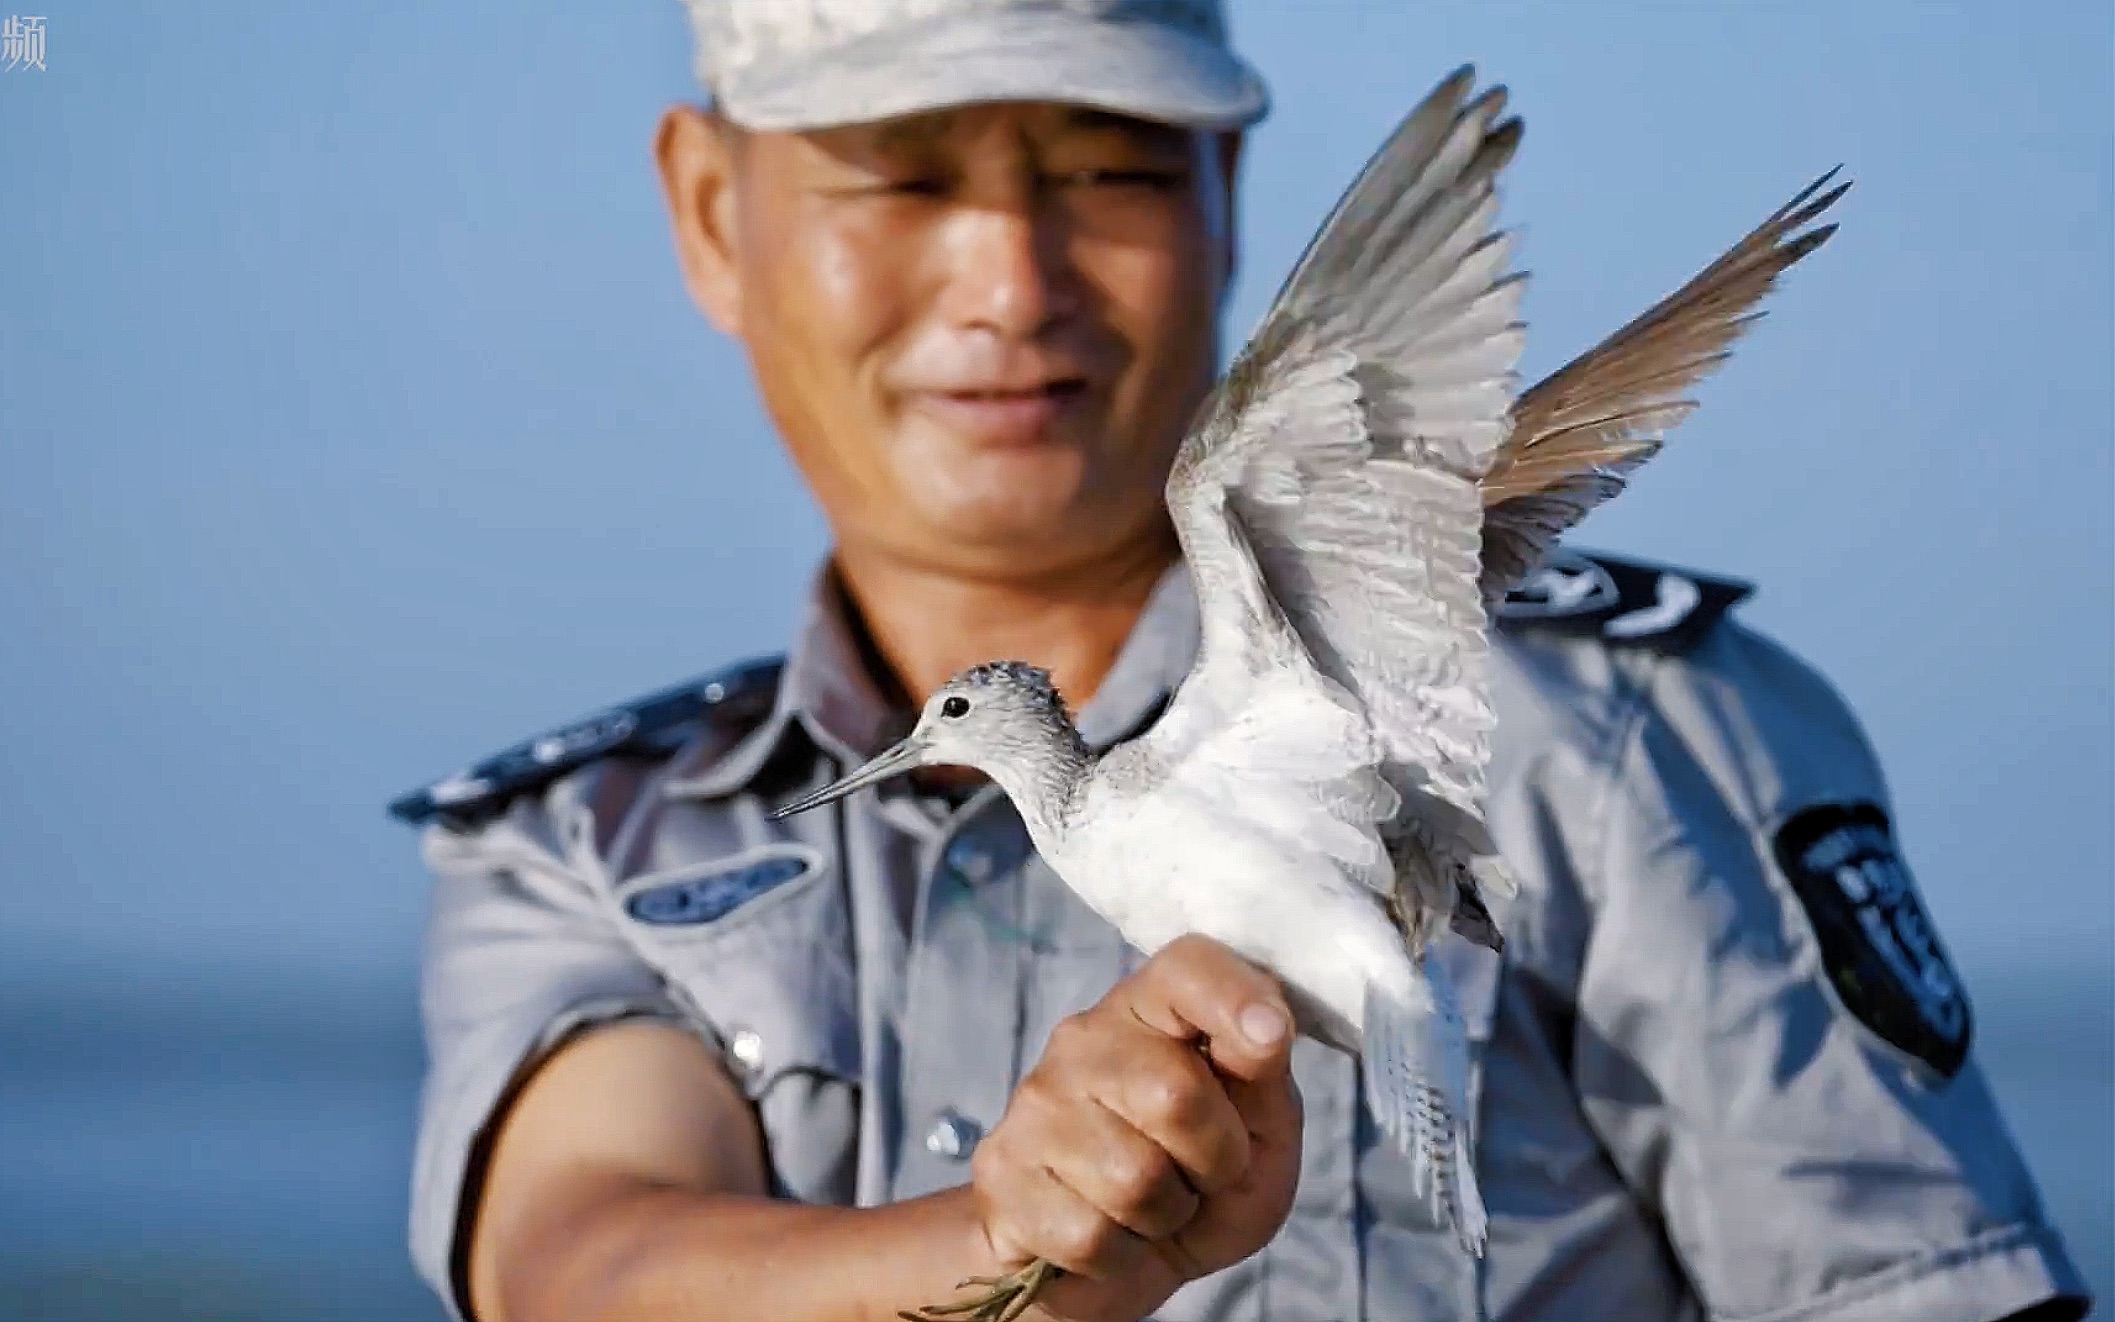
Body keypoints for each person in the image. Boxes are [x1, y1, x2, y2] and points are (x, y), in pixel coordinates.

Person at [389, 2, 2093, 1320]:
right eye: (903, 169)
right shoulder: (587, 845)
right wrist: (1006, 1244)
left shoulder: (1633, 738)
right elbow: (585, 1268)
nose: (1011, 279)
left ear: (1227, 190)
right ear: (705, 209)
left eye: (1112, 165)